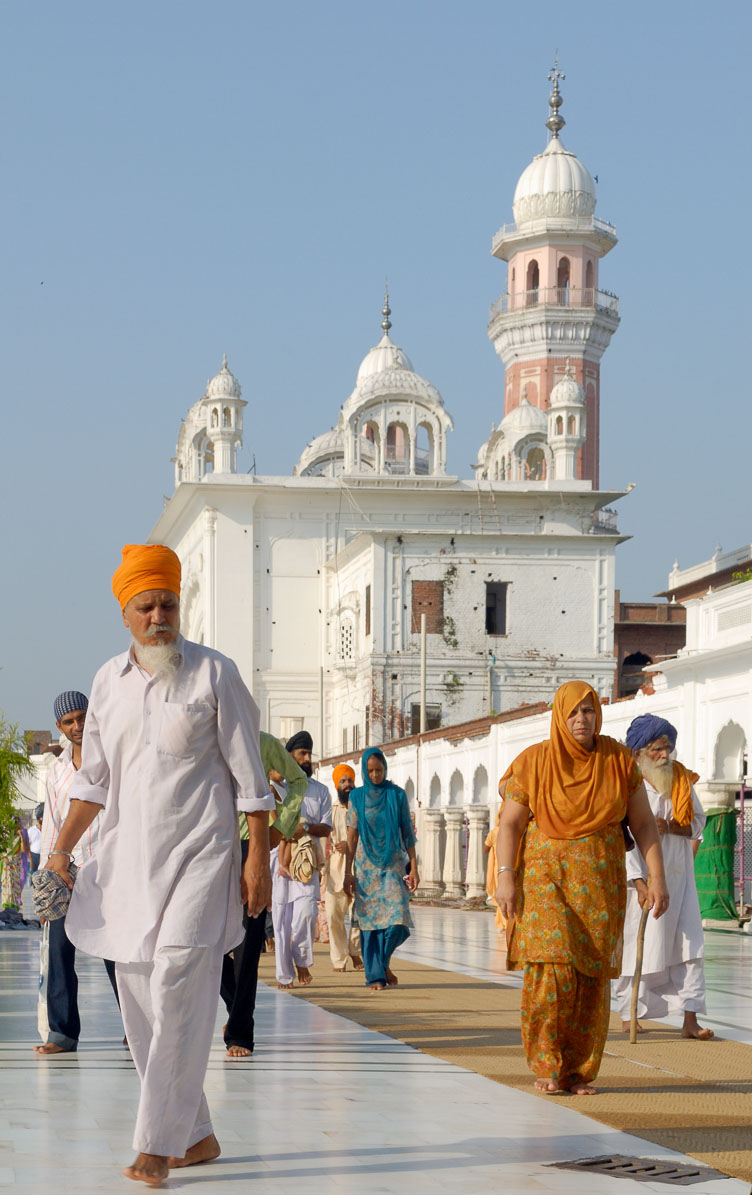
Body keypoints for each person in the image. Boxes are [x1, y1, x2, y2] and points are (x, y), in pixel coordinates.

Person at [41, 543, 273, 1188]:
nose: (158, 615)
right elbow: (92, 780)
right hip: (127, 864)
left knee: (178, 982)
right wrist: (60, 851)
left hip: (203, 855)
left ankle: (156, 1144)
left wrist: (258, 857)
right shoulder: (106, 683)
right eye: (146, 606)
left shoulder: (213, 673)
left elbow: (251, 779)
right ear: (125, 614)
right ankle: (196, 1134)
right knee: (140, 999)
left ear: (180, 605)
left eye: (168, 603)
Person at [495, 680, 669, 1096]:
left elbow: (643, 824)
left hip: (599, 886)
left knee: (590, 976)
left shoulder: (618, 762)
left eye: (588, 710)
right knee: (550, 969)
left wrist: (657, 876)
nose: (581, 719)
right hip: (544, 881)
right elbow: (511, 824)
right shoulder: (534, 762)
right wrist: (505, 874)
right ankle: (547, 1064)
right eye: (572, 711)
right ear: (559, 715)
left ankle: (577, 1071)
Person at [613, 714, 713, 1040]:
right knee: (637, 946)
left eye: (668, 747)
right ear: (639, 752)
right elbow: (623, 838)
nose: (664, 755)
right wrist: (639, 883)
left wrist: (668, 826)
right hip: (640, 883)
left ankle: (690, 1019)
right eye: (657, 748)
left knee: (689, 947)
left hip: (681, 881)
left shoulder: (681, 781)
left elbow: (698, 822)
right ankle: (630, 1016)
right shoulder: (629, 786)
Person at [35, 691, 121, 1057]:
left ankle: (138, 1028)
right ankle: (62, 1034)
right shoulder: (56, 772)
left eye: (82, 717)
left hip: (109, 866)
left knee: (118, 953)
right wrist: (46, 881)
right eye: (69, 721)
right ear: (59, 727)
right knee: (58, 953)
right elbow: (54, 825)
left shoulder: (113, 759)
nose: (77, 726)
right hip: (66, 871)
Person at [219, 732, 308, 1058]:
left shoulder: (263, 742)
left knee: (248, 943)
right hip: (206, 847)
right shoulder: (197, 733)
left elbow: (298, 781)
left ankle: (241, 1030)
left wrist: (280, 827)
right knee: (203, 943)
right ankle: (234, 1007)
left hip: (250, 849)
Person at [344, 747, 419, 992]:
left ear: (385, 768)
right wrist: (348, 872)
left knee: (398, 920)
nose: (376, 775)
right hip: (365, 867)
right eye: (371, 771)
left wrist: (414, 868)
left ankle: (383, 962)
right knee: (370, 924)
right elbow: (352, 837)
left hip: (392, 864)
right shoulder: (356, 797)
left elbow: (408, 833)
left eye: (379, 770)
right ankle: (375, 975)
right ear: (364, 772)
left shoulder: (396, 795)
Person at [271, 730, 332, 989]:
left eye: (309, 753)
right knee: (282, 919)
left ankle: (301, 958)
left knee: (306, 914)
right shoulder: (276, 787)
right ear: (289, 756)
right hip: (279, 860)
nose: (307, 758)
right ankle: (285, 975)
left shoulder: (320, 791)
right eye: (302, 753)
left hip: (306, 862)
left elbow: (326, 827)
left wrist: (305, 829)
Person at [324, 763, 363, 973]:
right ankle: (339, 959)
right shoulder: (332, 810)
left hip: (359, 867)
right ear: (336, 785)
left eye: (350, 780)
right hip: (336, 867)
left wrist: (351, 844)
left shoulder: (362, 807)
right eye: (343, 781)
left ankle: (355, 950)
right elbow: (325, 839)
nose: (347, 784)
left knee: (359, 915)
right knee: (333, 915)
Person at [1, 816, 30, 910]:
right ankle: (7, 904)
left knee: (15, 884)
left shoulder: (21, 835)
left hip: (16, 864)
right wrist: (3, 857)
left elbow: (23, 849)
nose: (15, 824)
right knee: (7, 883)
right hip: (6, 863)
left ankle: (14, 904)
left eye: (17, 822)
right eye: (13, 822)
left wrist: (21, 836)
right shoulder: (6, 836)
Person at [28, 806, 44, 873]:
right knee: (33, 876)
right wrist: (31, 860)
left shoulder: (47, 830)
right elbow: (27, 846)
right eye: (42, 817)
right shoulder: (31, 830)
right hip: (34, 856)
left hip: (44, 856)